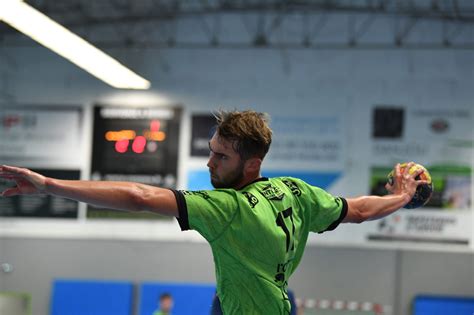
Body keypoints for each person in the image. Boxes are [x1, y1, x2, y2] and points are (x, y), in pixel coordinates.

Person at [0, 110, 428, 315]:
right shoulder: (297, 192)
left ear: (251, 165)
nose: (209, 164)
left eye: (221, 157)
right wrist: (403, 197)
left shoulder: (226, 208)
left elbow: (137, 196)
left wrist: (50, 184)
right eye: (211, 153)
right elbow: (357, 209)